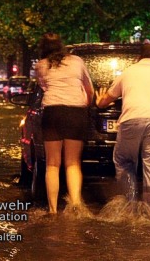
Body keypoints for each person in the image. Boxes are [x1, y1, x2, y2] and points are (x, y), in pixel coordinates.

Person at [96, 42, 150, 220]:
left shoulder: (129, 72)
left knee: (124, 161)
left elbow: (109, 97)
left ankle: (128, 208)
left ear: (139, 56)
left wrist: (100, 102)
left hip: (131, 119)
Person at [34, 33, 94, 214]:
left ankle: (52, 210)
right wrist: (87, 103)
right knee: (73, 163)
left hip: (52, 112)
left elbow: (44, 86)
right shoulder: (77, 61)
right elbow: (89, 88)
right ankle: (75, 205)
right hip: (75, 112)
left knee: (52, 164)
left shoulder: (41, 65)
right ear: (62, 46)